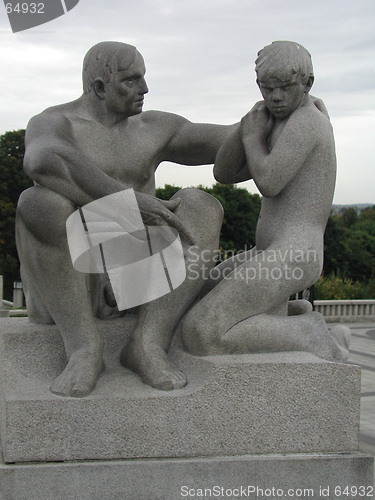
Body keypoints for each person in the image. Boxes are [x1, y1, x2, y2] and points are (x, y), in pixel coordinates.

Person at [16, 41, 237, 397]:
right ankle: (84, 347)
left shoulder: (153, 128)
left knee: (201, 205)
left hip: (136, 277)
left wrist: (277, 114)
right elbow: (43, 161)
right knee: (38, 202)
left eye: (143, 78)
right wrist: (128, 203)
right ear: (100, 87)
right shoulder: (54, 123)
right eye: (132, 81)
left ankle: (148, 342)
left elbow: (229, 140)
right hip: (74, 279)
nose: (145, 89)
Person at [182, 41, 350, 361]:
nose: (275, 97)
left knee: (201, 331)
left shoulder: (307, 121)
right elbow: (225, 173)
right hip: (268, 251)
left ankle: (309, 333)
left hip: (295, 254)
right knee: (194, 292)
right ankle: (285, 316)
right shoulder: (275, 119)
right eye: (266, 88)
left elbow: (269, 182)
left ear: (307, 83)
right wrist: (249, 124)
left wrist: (251, 137)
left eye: (284, 88)